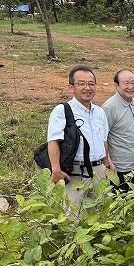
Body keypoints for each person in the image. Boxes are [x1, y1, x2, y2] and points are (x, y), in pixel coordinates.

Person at [46, 65, 115, 214]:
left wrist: (106, 163)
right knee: (72, 217)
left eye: (91, 84)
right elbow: (53, 141)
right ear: (71, 87)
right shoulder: (63, 111)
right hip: (74, 172)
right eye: (81, 84)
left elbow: (103, 140)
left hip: (98, 171)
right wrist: (56, 170)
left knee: (99, 215)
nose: (87, 88)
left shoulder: (100, 112)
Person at [102, 69, 134, 190]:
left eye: (133, 83)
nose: (130, 87)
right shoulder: (109, 107)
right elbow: (102, 137)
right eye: (126, 83)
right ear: (116, 85)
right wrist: (107, 162)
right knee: (123, 206)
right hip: (121, 169)